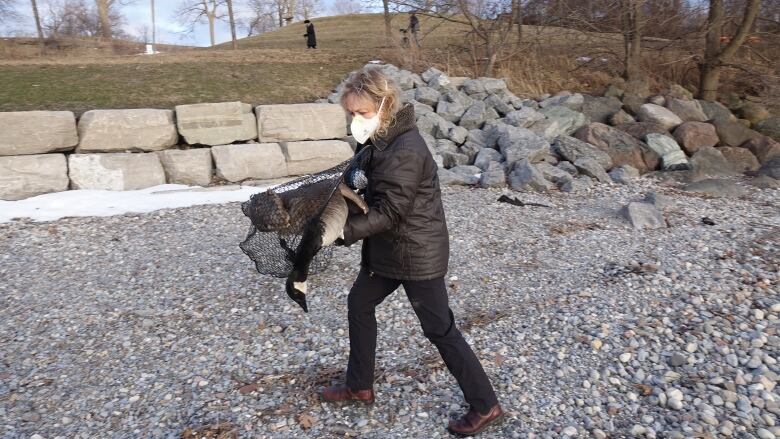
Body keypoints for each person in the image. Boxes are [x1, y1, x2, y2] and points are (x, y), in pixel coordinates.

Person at [321, 67, 503, 436]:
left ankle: (486, 405)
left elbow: (390, 210)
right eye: (351, 113)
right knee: (359, 304)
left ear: (384, 105)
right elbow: (364, 185)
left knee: (439, 329)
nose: (355, 120)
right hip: (386, 252)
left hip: (417, 254)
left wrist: (337, 232)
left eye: (361, 112)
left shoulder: (405, 148)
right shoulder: (380, 138)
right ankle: (360, 386)